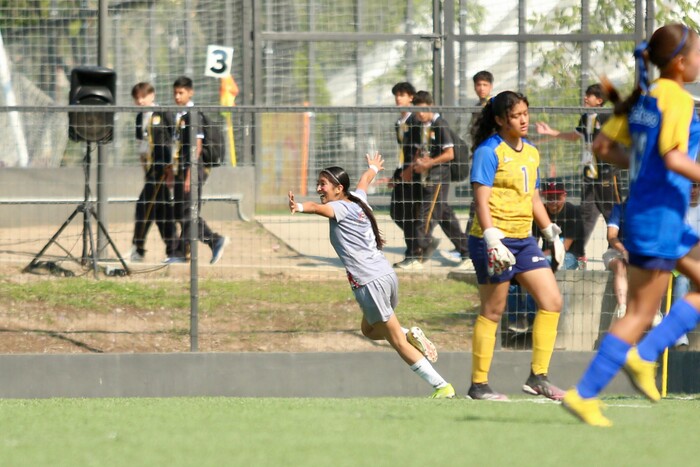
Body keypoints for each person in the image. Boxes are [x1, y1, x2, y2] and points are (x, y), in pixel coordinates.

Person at [562, 23, 700, 427]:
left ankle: (643, 356)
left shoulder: (643, 98)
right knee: (641, 312)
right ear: (680, 61)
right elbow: (674, 158)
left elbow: (602, 147)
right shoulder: (677, 98)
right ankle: (591, 389)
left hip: (648, 210)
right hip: (659, 215)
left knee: (650, 305)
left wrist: (646, 168)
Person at [287, 152, 455, 398]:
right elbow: (364, 182)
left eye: (323, 184)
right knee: (369, 330)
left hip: (370, 283)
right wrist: (373, 168)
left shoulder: (339, 207)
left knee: (396, 341)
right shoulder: (357, 199)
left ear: (338, 188)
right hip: (386, 276)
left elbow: (316, 208)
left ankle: (442, 386)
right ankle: (409, 332)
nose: (318, 188)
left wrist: (299, 206)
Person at [467, 90, 566, 401]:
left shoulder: (532, 152)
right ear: (499, 120)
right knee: (493, 310)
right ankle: (478, 385)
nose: (523, 119)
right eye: (515, 115)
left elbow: (533, 197)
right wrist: (491, 237)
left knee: (552, 301)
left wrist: (550, 231)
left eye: (525, 113)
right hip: (492, 240)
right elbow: (480, 201)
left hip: (524, 241)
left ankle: (539, 377)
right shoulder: (488, 151)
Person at [536, 83, 622, 251]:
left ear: (599, 100)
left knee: (611, 212)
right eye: (586, 94)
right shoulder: (585, 117)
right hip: (589, 174)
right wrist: (552, 132)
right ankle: (577, 253)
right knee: (585, 213)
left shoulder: (606, 117)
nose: (585, 98)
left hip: (606, 173)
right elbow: (575, 136)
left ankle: (616, 249)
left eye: (589, 95)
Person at [168, 76, 228, 265]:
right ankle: (184, 252)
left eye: (181, 92)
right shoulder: (182, 117)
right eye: (175, 93)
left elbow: (197, 146)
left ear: (190, 92)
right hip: (182, 170)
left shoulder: (193, 115)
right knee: (180, 212)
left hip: (192, 170)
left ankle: (213, 240)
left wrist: (189, 174)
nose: (177, 96)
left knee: (188, 213)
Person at [408, 91, 469, 266]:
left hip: (438, 177)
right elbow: (423, 149)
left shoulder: (439, 124)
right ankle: (466, 251)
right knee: (444, 215)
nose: (420, 113)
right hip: (427, 176)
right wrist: (416, 164)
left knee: (424, 216)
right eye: (416, 110)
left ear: (431, 106)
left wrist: (430, 164)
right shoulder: (421, 125)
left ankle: (419, 252)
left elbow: (449, 154)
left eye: (423, 109)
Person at [128, 82, 180, 263]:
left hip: (163, 169)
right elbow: (141, 146)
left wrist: (171, 169)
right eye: (137, 98)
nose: (140, 101)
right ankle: (174, 250)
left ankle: (139, 248)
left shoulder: (163, 113)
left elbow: (174, 140)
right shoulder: (139, 119)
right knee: (161, 212)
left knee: (143, 208)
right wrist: (145, 168)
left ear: (152, 95)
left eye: (143, 96)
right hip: (151, 172)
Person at [388, 82, 424, 270]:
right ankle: (421, 243)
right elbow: (403, 151)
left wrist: (410, 170)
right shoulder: (399, 123)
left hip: (414, 173)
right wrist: (397, 175)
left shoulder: (416, 121)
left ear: (411, 97)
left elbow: (418, 150)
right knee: (396, 212)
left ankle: (414, 254)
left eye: (402, 94)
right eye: (396, 94)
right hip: (403, 172)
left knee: (411, 214)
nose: (398, 98)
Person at [534, 180, 585, 270]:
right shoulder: (541, 212)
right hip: (546, 255)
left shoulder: (572, 211)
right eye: (549, 197)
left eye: (557, 196)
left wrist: (541, 256)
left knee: (549, 266)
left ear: (564, 196)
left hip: (570, 254)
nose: (553, 200)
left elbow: (565, 246)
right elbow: (534, 241)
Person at [601, 201, 628, 328]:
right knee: (620, 266)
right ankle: (622, 308)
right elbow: (611, 236)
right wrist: (624, 251)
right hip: (616, 253)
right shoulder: (619, 209)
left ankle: (655, 313)